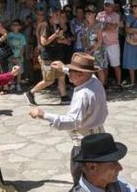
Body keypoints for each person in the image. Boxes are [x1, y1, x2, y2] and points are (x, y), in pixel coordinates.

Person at [29, 53, 108, 181]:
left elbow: (72, 121)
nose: (69, 73)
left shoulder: (83, 95)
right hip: (100, 138)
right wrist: (64, 68)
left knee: (82, 182)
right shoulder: (95, 81)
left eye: (72, 71)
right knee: (100, 178)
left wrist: (44, 115)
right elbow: (86, 74)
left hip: (84, 146)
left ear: (81, 74)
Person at [26, 8, 74, 105]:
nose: (59, 17)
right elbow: (44, 42)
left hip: (56, 55)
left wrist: (64, 40)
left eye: (59, 15)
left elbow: (56, 40)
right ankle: (30, 93)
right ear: (51, 16)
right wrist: (55, 35)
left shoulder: (54, 26)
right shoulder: (45, 25)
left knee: (61, 76)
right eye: (57, 15)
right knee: (49, 80)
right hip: (47, 57)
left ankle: (64, 96)